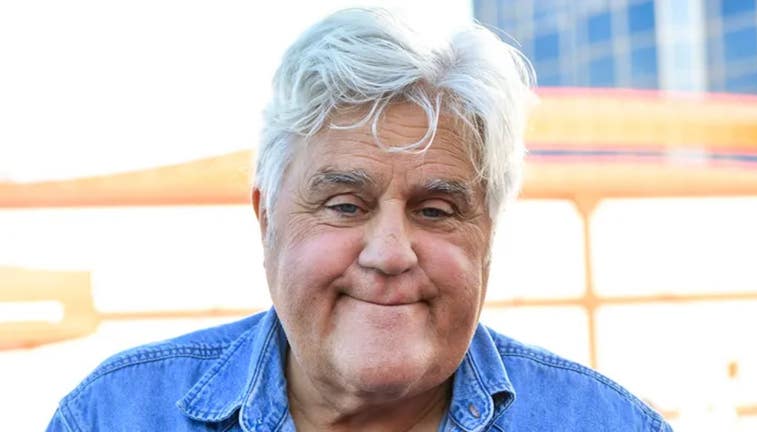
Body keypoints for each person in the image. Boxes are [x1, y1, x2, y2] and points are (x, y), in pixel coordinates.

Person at [47, 8, 672, 432]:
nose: (391, 252)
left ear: (488, 239)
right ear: (266, 221)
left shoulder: (601, 422)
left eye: (436, 210)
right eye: (346, 205)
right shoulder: (118, 413)